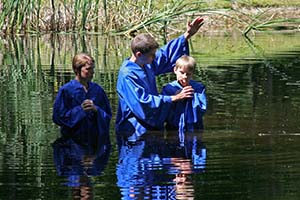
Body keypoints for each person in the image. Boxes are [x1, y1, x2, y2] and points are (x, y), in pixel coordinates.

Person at [116, 17, 204, 142]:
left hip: (151, 129)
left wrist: (187, 35)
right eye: (152, 55)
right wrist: (174, 98)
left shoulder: (145, 63)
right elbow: (142, 103)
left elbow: (165, 54)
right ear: (139, 54)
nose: (154, 58)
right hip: (134, 132)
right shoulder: (127, 75)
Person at [52, 53, 112, 154]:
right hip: (71, 143)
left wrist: (96, 110)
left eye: (93, 68)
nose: (92, 72)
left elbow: (108, 116)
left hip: (95, 141)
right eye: (88, 69)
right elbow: (58, 118)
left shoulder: (97, 90)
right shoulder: (66, 90)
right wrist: (80, 110)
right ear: (77, 70)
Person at [161, 55, 207, 132]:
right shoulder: (169, 89)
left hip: (195, 127)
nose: (185, 76)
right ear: (175, 70)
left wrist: (192, 97)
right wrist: (176, 97)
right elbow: (163, 109)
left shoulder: (198, 88)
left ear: (192, 73)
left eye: (188, 74)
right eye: (182, 73)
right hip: (174, 126)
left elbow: (202, 108)